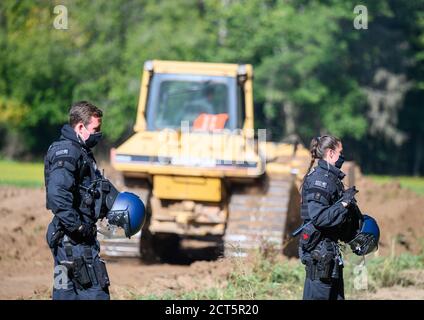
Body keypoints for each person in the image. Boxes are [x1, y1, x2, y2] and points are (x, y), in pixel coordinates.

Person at [44, 101, 110, 300]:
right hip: (74, 241)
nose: (99, 134)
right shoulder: (68, 152)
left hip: (64, 240)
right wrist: (78, 227)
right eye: (95, 129)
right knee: (95, 292)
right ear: (80, 127)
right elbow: (57, 194)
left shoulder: (79, 151)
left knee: (63, 292)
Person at [298, 135, 359, 300]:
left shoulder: (331, 178)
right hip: (319, 257)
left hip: (330, 254)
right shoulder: (320, 180)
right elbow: (319, 217)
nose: (342, 157)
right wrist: (344, 204)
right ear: (331, 153)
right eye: (340, 152)